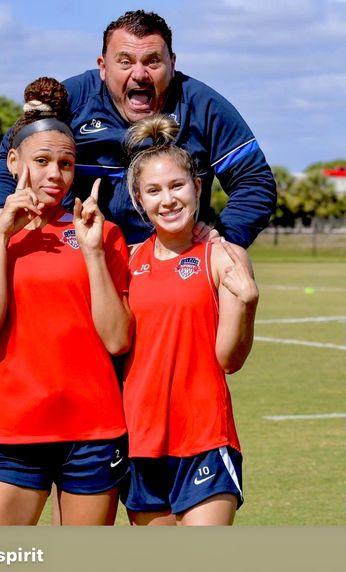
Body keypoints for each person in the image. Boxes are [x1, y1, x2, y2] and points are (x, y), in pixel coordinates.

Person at [0, 77, 133, 526]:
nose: (55, 174)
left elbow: (117, 339)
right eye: (42, 161)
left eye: (67, 163)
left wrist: (93, 250)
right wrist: (1, 235)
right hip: (13, 432)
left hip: (94, 433)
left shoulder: (104, 234)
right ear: (13, 161)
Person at [0, 10, 276, 249]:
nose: (139, 73)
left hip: (168, 262)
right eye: (125, 61)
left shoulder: (203, 106)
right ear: (103, 66)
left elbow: (254, 180)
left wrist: (224, 239)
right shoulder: (72, 100)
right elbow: (10, 157)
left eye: (153, 61)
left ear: (172, 64)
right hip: (79, 256)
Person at [120, 114, 259, 525]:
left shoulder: (223, 256)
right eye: (154, 191)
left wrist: (247, 302)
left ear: (197, 188)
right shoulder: (128, 261)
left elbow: (229, 360)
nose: (168, 200)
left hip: (204, 436)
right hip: (140, 440)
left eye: (177, 185)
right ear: (139, 201)